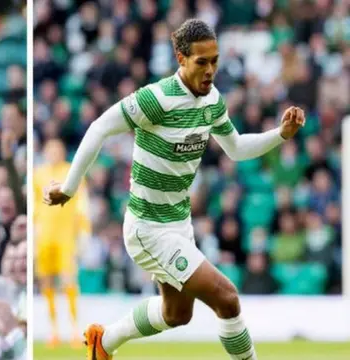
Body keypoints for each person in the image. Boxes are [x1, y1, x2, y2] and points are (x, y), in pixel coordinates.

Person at [44, 19, 305, 360]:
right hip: (148, 228)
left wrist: (280, 135)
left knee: (177, 314)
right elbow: (98, 128)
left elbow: (237, 148)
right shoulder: (157, 98)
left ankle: (103, 343)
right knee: (226, 297)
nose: (210, 69)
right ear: (181, 58)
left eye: (215, 60)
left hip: (179, 224)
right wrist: (69, 187)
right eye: (201, 61)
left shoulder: (212, 101)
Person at [33, 139, 90, 347]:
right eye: (50, 150)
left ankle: (75, 329)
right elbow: (33, 205)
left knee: (69, 280)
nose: (53, 153)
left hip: (66, 235)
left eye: (57, 150)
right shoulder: (38, 174)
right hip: (44, 236)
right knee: (46, 282)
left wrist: (84, 231)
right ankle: (53, 330)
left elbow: (83, 202)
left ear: (63, 151)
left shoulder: (72, 171)